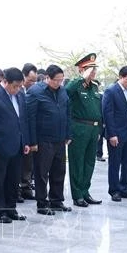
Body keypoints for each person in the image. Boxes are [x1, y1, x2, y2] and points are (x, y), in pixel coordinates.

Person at [26, 64, 72, 215]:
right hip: (43, 140)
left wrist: (68, 134)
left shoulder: (63, 91)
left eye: (61, 80)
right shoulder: (35, 92)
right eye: (56, 80)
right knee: (41, 173)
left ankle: (57, 201)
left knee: (59, 171)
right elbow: (30, 118)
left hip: (60, 139)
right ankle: (42, 203)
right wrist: (32, 142)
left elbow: (67, 113)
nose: (59, 83)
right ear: (47, 78)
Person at [0, 68, 30, 223]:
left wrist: (25, 141)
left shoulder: (20, 95)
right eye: (15, 86)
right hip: (0, 145)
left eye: (20, 86)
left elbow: (23, 120)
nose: (17, 89)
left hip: (17, 144)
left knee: (13, 179)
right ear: (4, 82)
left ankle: (11, 208)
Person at [66, 53, 103, 207]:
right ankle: (77, 195)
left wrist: (100, 129)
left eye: (94, 69)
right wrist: (82, 78)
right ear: (82, 70)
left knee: (89, 162)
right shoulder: (75, 86)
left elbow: (97, 110)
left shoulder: (94, 87)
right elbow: (66, 91)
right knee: (77, 162)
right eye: (89, 69)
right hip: (79, 128)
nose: (93, 72)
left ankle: (85, 191)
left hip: (93, 129)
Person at [102, 65, 127, 202]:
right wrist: (112, 134)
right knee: (115, 163)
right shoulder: (111, 91)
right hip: (116, 135)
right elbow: (108, 114)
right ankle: (114, 190)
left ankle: (125, 188)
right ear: (121, 77)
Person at [19, 62, 38, 201]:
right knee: (18, 163)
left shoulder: (35, 92)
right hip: (16, 133)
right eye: (30, 80)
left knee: (28, 163)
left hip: (30, 132)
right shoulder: (16, 90)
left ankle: (26, 187)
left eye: (35, 81)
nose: (32, 83)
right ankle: (17, 190)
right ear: (23, 77)